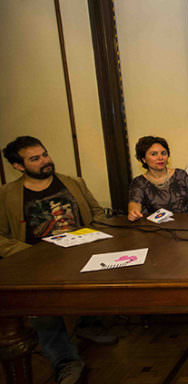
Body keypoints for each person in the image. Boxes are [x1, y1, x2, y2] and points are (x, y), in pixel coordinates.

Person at [1, 136, 117, 384]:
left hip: (82, 253)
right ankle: (65, 361)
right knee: (44, 313)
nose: (45, 161)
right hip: (36, 263)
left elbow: (96, 213)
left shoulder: (72, 183)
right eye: (35, 158)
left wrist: (96, 235)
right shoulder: (7, 194)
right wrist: (28, 253)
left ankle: (89, 325)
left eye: (45, 154)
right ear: (18, 166)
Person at [128, 136, 188, 221]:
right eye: (154, 154)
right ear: (144, 159)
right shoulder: (139, 182)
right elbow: (135, 203)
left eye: (163, 153)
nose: (160, 158)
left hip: (184, 226)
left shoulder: (180, 175)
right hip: (154, 229)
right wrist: (133, 212)